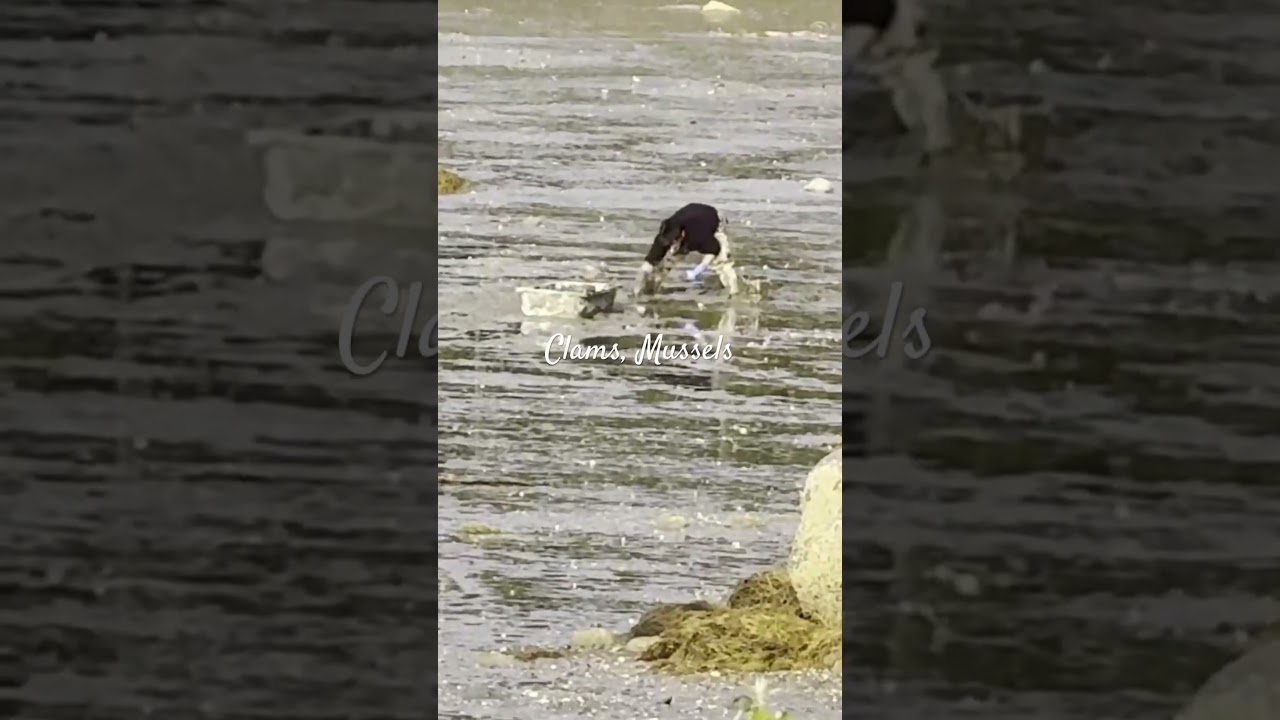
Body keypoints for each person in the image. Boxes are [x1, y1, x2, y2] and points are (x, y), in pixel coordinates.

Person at [635, 202, 739, 296]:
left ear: (682, 235)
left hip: (713, 219)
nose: (671, 249)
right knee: (663, 265)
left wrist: (698, 270)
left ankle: (733, 291)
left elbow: (714, 249)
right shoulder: (662, 239)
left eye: (673, 243)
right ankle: (650, 290)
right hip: (688, 220)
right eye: (668, 244)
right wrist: (638, 286)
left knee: (721, 261)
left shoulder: (698, 238)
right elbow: (646, 266)